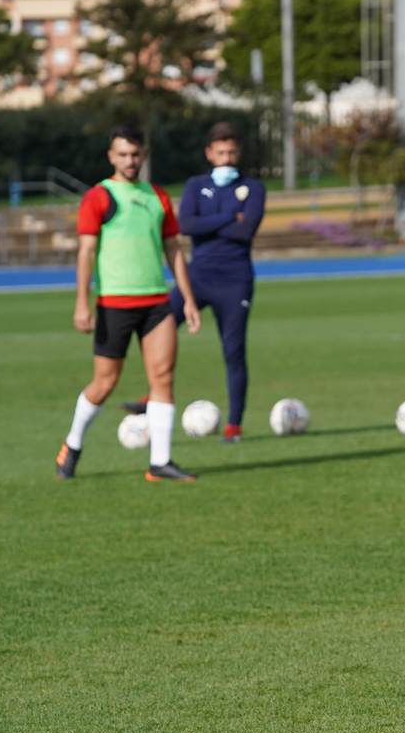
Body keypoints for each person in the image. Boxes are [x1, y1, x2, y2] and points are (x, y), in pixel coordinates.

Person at [56, 123, 201, 482]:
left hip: (156, 302)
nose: (130, 160)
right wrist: (82, 302)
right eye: (123, 154)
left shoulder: (159, 197)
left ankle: (160, 462)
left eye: (135, 154)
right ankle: (72, 445)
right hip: (114, 304)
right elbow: (86, 252)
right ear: (111, 156)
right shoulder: (98, 197)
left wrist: (188, 300)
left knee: (163, 377)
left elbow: (173, 249)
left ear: (144, 154)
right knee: (105, 383)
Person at [166, 121, 265, 442]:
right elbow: (186, 225)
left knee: (233, 352)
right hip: (197, 276)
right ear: (209, 154)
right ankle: (152, 396)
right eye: (221, 152)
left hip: (235, 280)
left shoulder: (254, 187)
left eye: (232, 152)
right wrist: (228, 217)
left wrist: (210, 224)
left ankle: (234, 425)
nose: (227, 159)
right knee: (159, 327)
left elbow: (245, 231)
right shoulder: (195, 185)